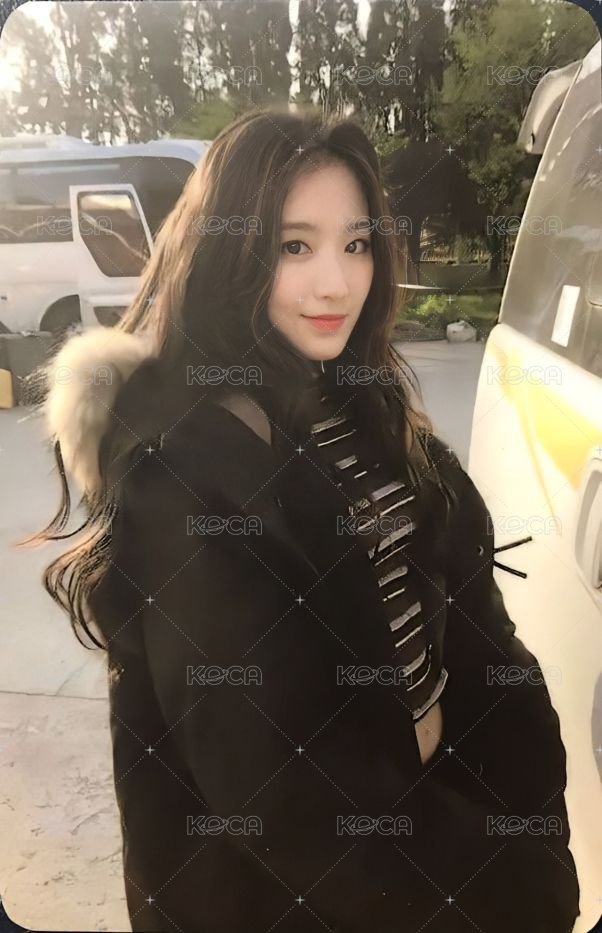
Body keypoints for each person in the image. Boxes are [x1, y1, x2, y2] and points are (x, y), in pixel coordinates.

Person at [26, 106, 580, 932]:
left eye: (356, 245)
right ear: (229, 251)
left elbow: (479, 631)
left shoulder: (361, 402)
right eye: (295, 246)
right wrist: (510, 891)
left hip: (439, 841)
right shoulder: (186, 466)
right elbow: (289, 799)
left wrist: (533, 818)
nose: (336, 283)